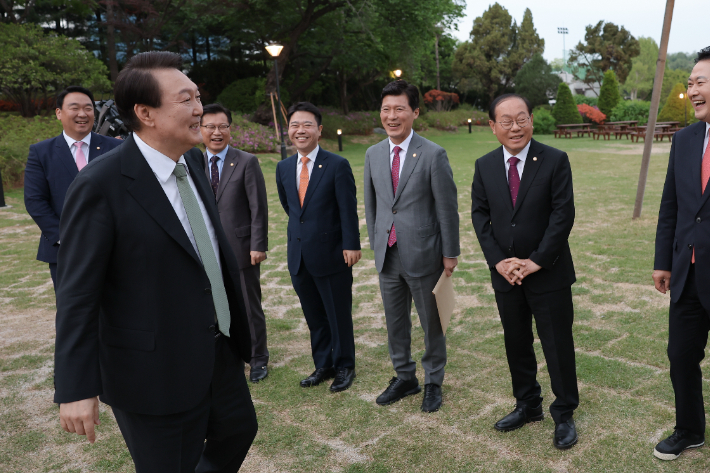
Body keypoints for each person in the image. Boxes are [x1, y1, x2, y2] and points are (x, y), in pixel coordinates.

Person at [54, 51, 257, 472]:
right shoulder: (100, 184)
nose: (200, 109)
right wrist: (76, 386)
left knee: (238, 430)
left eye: (198, 96)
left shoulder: (194, 162)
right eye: (186, 99)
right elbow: (77, 294)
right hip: (152, 369)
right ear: (145, 112)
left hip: (216, 347)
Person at [470, 93, 579, 449]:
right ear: (492, 126)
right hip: (506, 275)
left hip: (548, 272)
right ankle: (527, 404)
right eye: (506, 120)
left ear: (531, 119)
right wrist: (498, 261)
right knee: (516, 343)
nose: (515, 126)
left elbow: (563, 215)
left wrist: (536, 261)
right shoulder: (484, 165)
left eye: (521, 118)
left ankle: (564, 414)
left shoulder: (554, 160)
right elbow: (480, 216)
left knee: (557, 345)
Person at [364, 80, 459, 413]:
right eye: (386, 109)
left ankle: (433, 381)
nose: (392, 116)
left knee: (431, 323)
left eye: (399, 109)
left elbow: (446, 207)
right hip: (387, 254)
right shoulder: (373, 154)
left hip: (424, 253)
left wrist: (450, 253)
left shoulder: (433, 153)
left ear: (414, 113)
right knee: (395, 322)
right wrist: (376, 241)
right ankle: (404, 377)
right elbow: (373, 205)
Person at [275, 101, 361, 393]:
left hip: (333, 254)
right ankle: (323, 364)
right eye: (294, 125)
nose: (300, 130)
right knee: (314, 316)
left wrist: (351, 244)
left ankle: (344, 365)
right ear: (289, 130)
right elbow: (291, 208)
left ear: (319, 130)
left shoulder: (337, 165)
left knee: (337, 314)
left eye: (307, 124)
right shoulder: (283, 167)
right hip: (299, 256)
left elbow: (347, 209)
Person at [652, 46, 710, 461]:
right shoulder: (684, 139)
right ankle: (689, 430)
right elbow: (670, 204)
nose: (692, 89)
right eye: (690, 82)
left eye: (700, 81)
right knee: (681, 356)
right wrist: (662, 260)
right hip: (688, 271)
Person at [24, 86, 122, 289]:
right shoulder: (41, 152)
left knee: (115, 313)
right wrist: (65, 238)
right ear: (59, 113)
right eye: (74, 108)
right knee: (73, 314)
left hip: (114, 249)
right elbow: (35, 201)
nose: (82, 114)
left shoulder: (116, 147)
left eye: (88, 108)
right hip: (64, 251)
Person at [200, 103, 270, 383]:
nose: (217, 132)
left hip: (241, 248)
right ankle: (227, 355)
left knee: (248, 305)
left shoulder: (246, 161)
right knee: (214, 305)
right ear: (200, 130)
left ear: (230, 129)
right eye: (210, 127)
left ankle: (258, 358)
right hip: (206, 250)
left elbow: (258, 208)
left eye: (222, 126)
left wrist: (258, 244)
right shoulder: (191, 163)